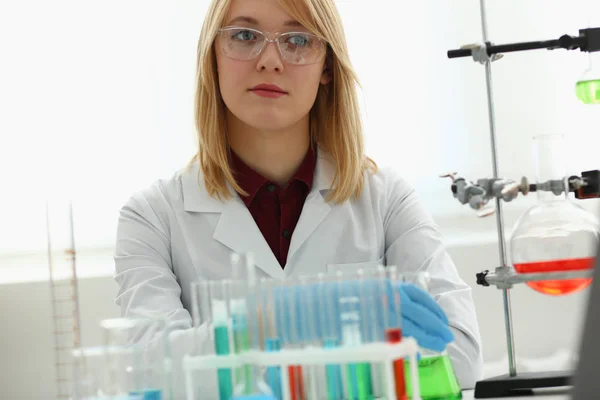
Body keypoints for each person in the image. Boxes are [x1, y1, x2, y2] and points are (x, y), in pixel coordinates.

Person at [114, 0, 484, 395]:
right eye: (244, 35)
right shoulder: (152, 216)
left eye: (298, 40)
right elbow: (149, 370)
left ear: (327, 67)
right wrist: (276, 320)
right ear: (213, 58)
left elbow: (458, 355)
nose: (270, 60)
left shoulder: (386, 198)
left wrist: (254, 363)